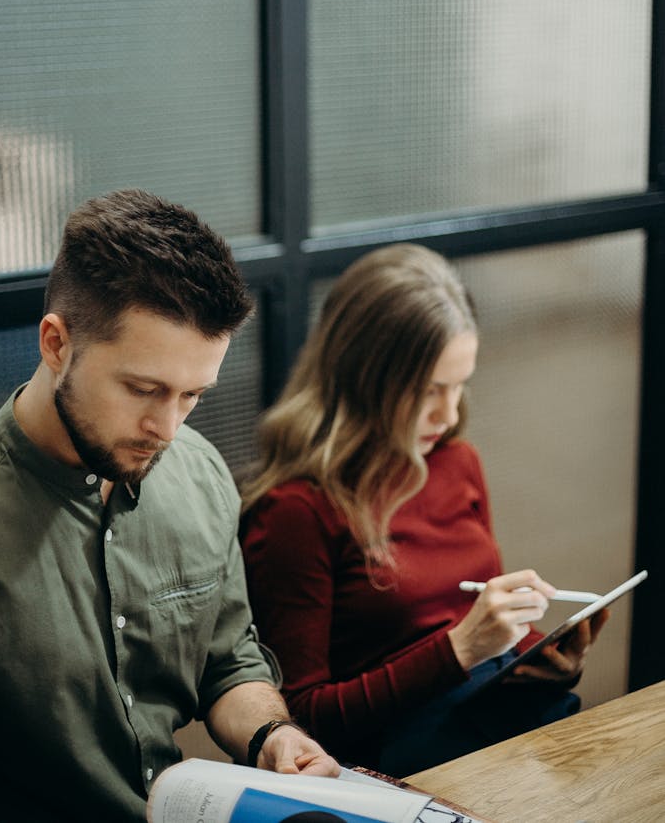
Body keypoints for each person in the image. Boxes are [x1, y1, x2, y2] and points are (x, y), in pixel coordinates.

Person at [0, 189, 338, 823]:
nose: (167, 429)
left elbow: (229, 660)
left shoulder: (198, 472)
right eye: (144, 389)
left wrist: (272, 737)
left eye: (192, 394)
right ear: (56, 344)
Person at [240, 244, 607, 776]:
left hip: (500, 737)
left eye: (460, 385)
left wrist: (541, 657)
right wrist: (457, 651)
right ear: (365, 377)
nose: (450, 411)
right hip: (402, 771)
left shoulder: (458, 461)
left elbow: (472, 614)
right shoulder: (297, 510)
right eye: (429, 390)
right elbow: (300, 721)